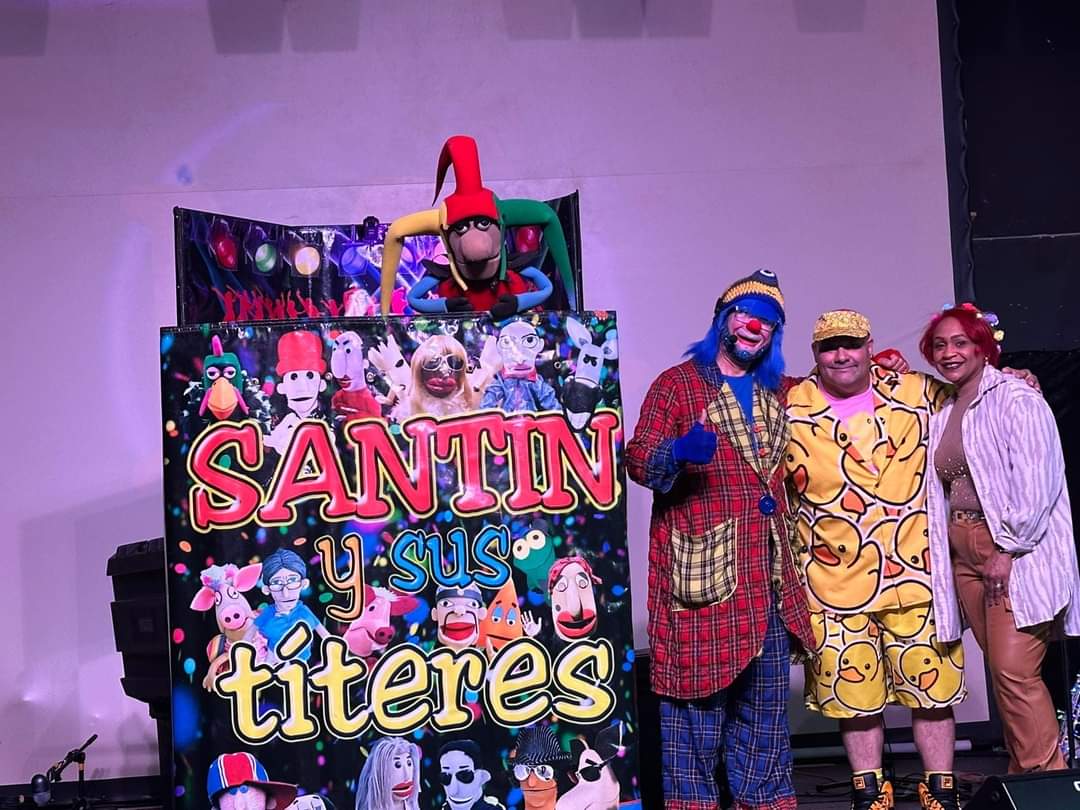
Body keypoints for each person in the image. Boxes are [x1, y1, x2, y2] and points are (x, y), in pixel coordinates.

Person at [626, 269, 814, 810]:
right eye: (745, 314)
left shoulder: (784, 391)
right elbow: (638, 459)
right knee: (694, 718)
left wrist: (889, 371)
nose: (754, 326)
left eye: (768, 321)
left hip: (767, 582)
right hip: (702, 581)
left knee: (765, 720)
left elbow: (842, 388)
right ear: (723, 320)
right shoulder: (678, 384)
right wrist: (676, 452)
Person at [785, 309, 965, 810]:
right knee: (855, 698)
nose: (841, 355)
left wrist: (1016, 376)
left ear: (869, 347)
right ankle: (869, 790)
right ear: (815, 354)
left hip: (916, 576)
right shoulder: (789, 409)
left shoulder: (917, 392)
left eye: (851, 344)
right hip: (832, 583)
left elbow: (978, 397)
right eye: (829, 346)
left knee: (933, 692)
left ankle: (940, 789)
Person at [921, 304, 1080, 774]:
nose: (949, 353)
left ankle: (1045, 779)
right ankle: (1024, 772)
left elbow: (1036, 482)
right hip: (964, 552)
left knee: (1015, 671)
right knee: (1002, 673)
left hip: (1009, 549)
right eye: (940, 345)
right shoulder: (945, 408)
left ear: (983, 347)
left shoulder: (1016, 398)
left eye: (960, 342)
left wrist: (1007, 549)